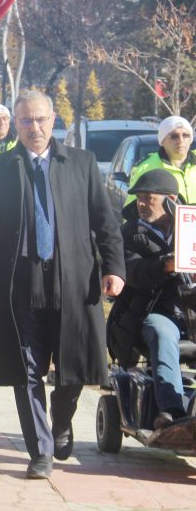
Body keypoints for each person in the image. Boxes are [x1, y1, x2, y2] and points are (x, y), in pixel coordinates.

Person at [0, 90, 125, 479]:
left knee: (73, 367)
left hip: (71, 279)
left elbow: (105, 222)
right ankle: (40, 451)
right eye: (25, 121)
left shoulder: (82, 164)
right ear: (15, 125)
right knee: (26, 368)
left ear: (53, 120)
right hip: (19, 282)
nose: (34, 128)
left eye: (40, 120)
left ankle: (61, 420)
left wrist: (114, 268)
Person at [110, 169, 193, 429]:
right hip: (153, 311)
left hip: (191, 310)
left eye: (149, 198)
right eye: (139, 198)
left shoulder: (190, 227)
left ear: (170, 200)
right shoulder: (129, 233)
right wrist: (166, 264)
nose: (142, 204)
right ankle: (172, 411)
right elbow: (134, 274)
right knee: (161, 333)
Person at [127, 116, 196, 205]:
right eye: (174, 136)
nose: (181, 140)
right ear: (162, 140)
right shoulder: (146, 167)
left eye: (185, 135)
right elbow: (133, 207)